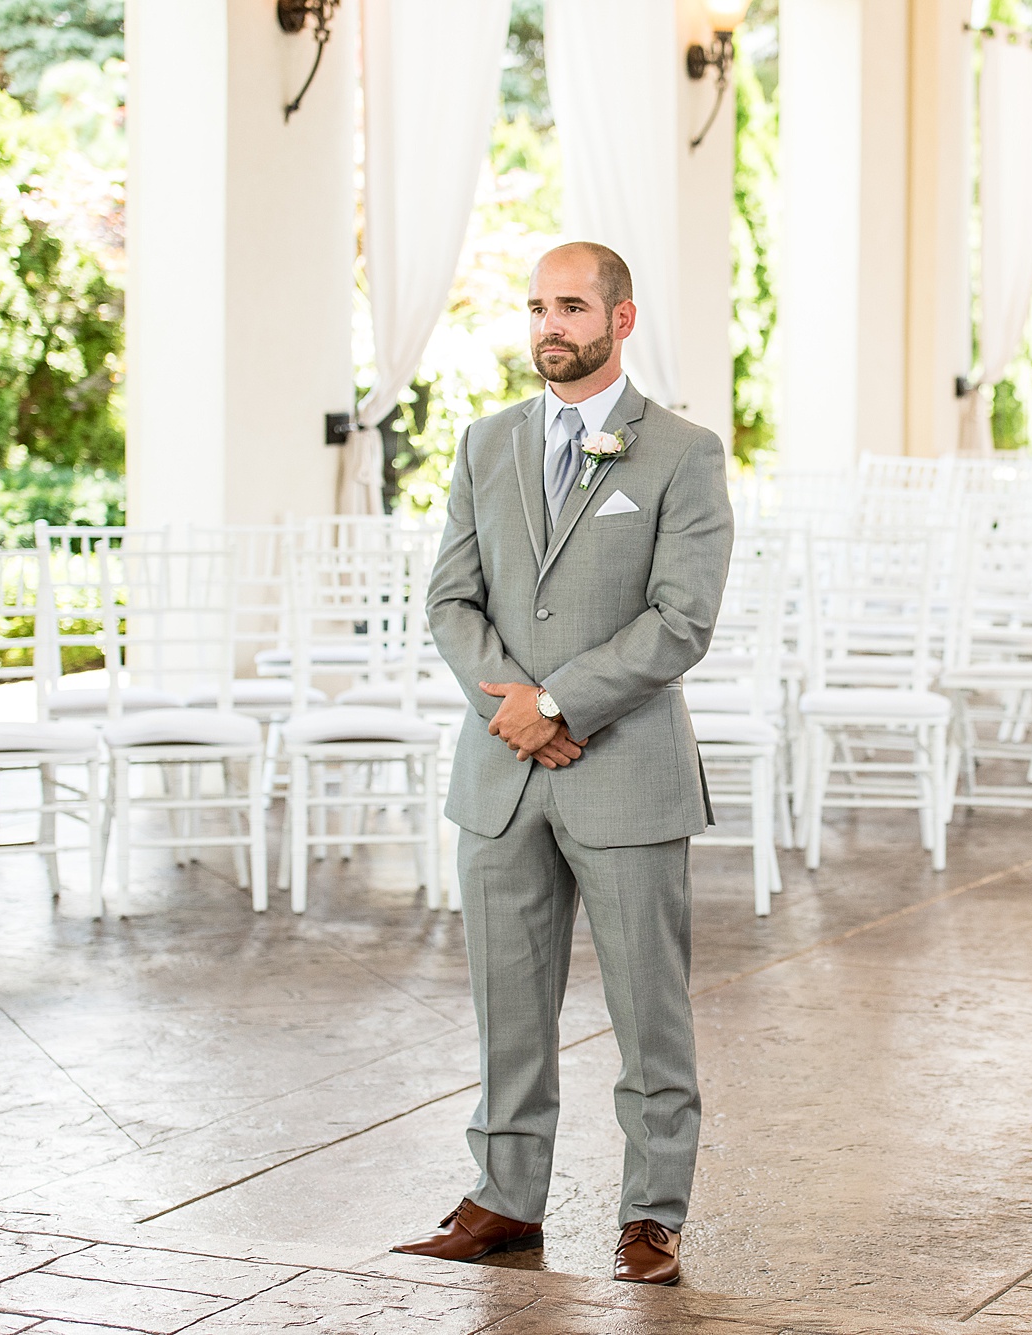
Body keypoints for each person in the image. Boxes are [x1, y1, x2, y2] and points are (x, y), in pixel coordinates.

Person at [395, 241, 734, 1285]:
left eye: (573, 306)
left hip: (622, 771)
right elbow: (450, 598)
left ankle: (650, 1214)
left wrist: (554, 704)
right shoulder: (483, 442)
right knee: (506, 1008)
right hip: (500, 780)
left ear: (620, 321)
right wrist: (514, 711)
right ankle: (504, 1200)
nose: (551, 324)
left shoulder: (680, 452)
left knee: (647, 1013)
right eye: (539, 306)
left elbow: (681, 622)